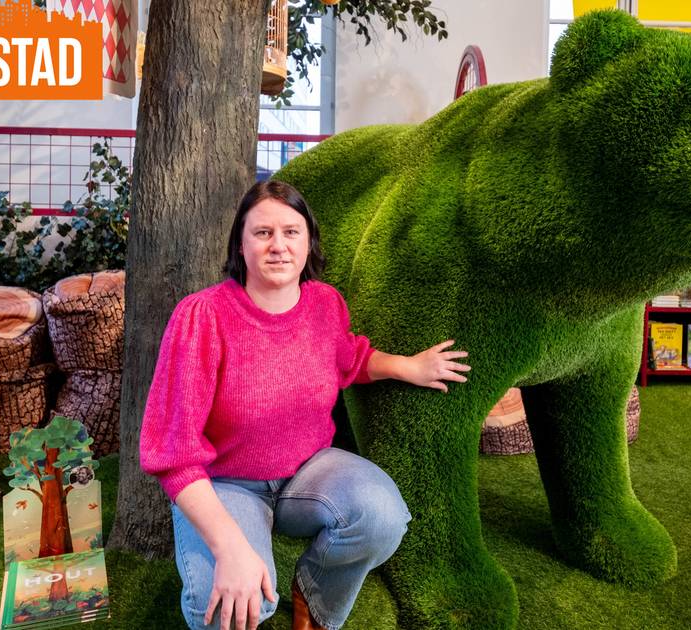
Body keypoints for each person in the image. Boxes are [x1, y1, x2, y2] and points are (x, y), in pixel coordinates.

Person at [140, 180, 470, 630]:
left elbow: (347, 358)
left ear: (309, 239)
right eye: (262, 233)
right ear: (240, 243)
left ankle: (312, 599)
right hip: (225, 484)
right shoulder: (202, 316)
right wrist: (231, 548)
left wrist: (408, 367)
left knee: (381, 516)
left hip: (307, 473)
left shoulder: (325, 302)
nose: (278, 246)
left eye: (291, 232)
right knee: (226, 610)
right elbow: (172, 454)